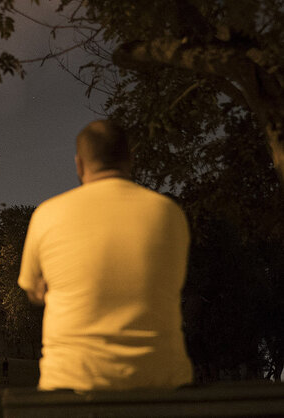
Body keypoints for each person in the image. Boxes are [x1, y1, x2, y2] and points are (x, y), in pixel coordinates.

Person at [18, 120, 192, 392]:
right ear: (130, 159)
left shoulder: (47, 215)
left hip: (71, 382)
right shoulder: (169, 213)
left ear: (79, 164)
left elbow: (33, 289)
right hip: (160, 384)